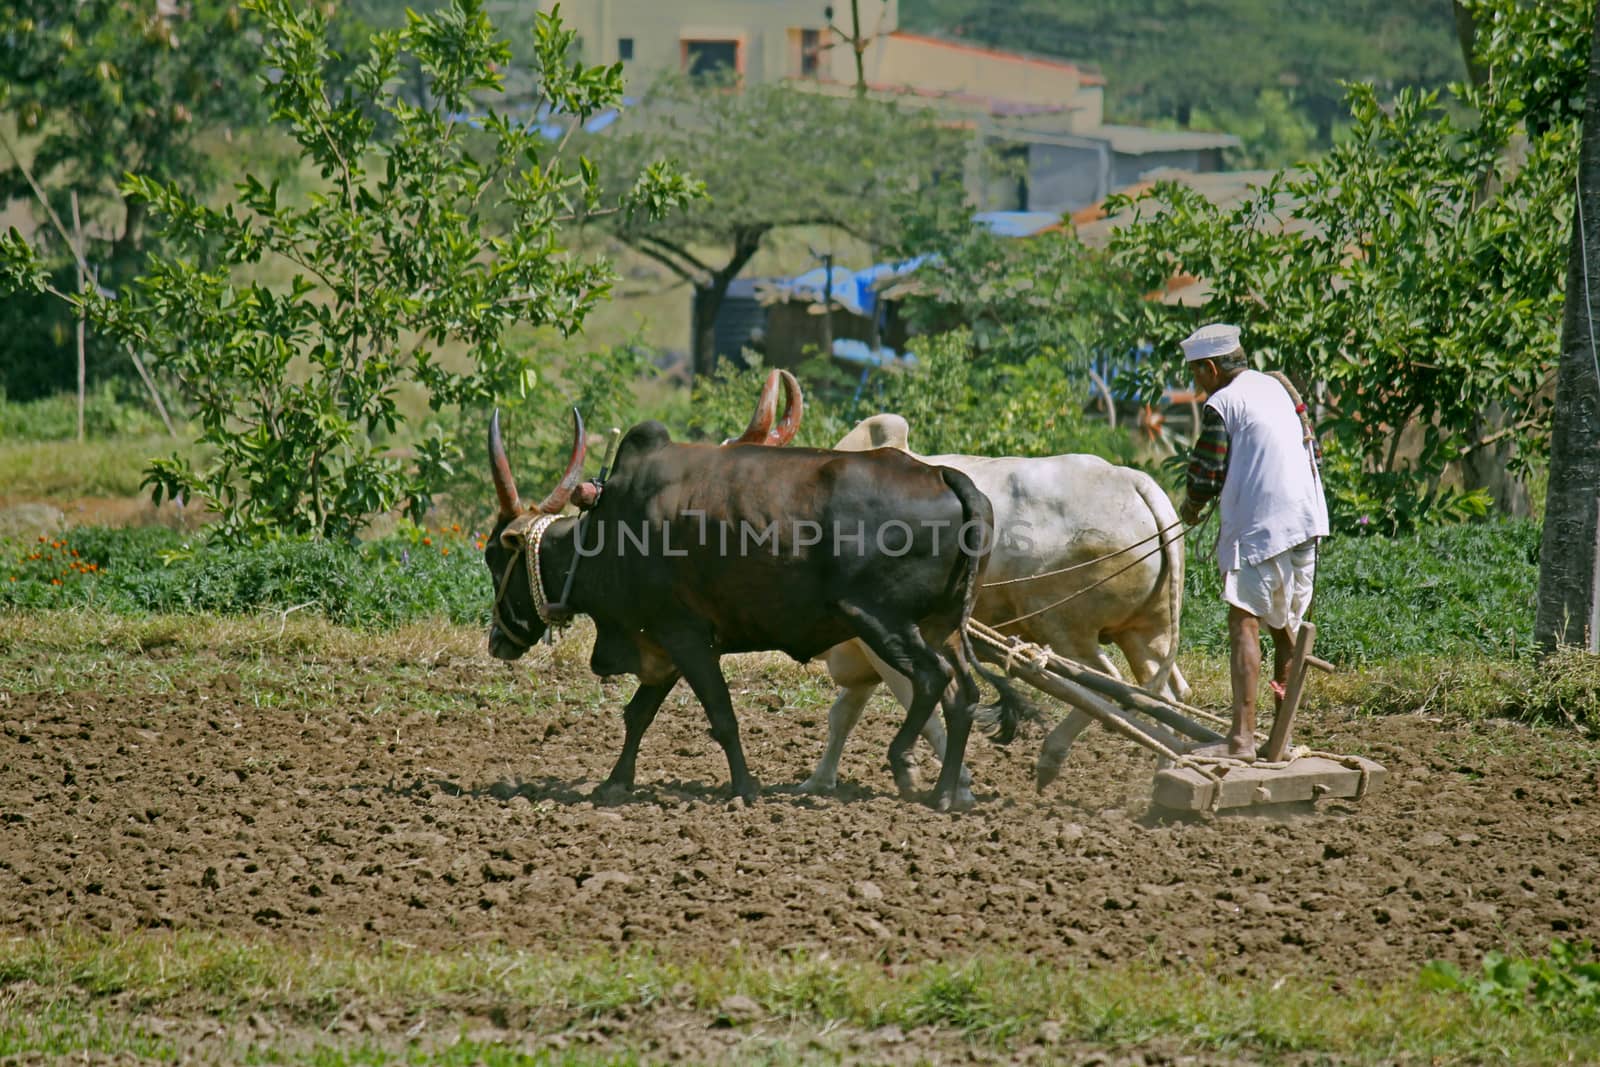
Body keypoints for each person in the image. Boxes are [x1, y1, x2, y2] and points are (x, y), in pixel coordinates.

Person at [1177, 323, 1328, 759]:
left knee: (1244, 621)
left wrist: (1191, 507)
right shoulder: (1280, 388)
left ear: (1209, 368)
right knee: (1286, 630)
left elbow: (1206, 473)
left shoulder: (1222, 402)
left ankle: (1242, 739)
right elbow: (1313, 454)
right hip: (1307, 521)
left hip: (1261, 527)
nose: (1194, 383)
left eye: (1194, 374)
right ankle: (1279, 740)